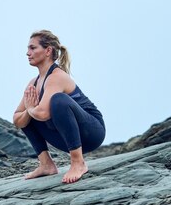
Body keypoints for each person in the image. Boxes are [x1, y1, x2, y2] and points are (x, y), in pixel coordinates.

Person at [13, 30, 106, 183]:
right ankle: (46, 164)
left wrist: (30, 109)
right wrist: (29, 111)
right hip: (65, 137)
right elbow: (17, 119)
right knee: (27, 116)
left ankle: (78, 163)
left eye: (33, 48)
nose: (27, 53)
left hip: (92, 132)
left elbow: (42, 114)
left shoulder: (57, 76)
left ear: (48, 50)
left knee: (58, 100)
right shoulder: (33, 83)